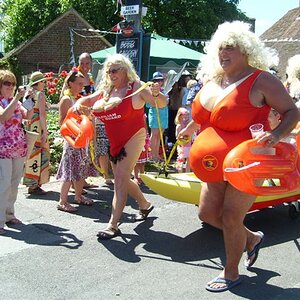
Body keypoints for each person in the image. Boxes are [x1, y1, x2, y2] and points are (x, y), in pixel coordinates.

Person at [179, 21, 299, 292]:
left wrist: (277, 135)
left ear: (246, 50)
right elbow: (202, 117)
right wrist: (188, 128)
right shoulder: (213, 80)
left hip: (248, 161)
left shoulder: (261, 80)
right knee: (208, 214)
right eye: (220, 47)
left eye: (231, 47)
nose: (224, 52)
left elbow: (292, 111)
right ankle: (252, 238)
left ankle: (230, 272)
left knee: (232, 216)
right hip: (213, 165)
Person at [75, 53, 168, 239]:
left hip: (134, 136)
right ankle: (144, 204)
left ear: (126, 70)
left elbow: (161, 102)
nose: (111, 74)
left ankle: (113, 225)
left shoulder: (137, 87)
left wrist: (157, 94)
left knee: (119, 178)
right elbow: (87, 100)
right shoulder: (106, 91)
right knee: (123, 178)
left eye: (115, 70)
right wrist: (78, 104)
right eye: (108, 71)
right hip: (115, 141)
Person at [0, 70, 33, 234]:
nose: (11, 86)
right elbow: (4, 117)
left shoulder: (16, 102)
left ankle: (9, 215)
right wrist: (17, 98)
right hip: (2, 149)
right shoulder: (2, 102)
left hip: (18, 148)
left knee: (13, 184)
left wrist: (30, 99)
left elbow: (28, 116)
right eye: (7, 83)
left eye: (12, 83)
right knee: (3, 184)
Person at [56, 70, 93, 213]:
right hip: (72, 140)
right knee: (69, 170)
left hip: (81, 139)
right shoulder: (66, 100)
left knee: (81, 169)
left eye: (82, 84)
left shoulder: (78, 98)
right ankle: (62, 201)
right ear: (70, 84)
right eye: (78, 84)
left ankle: (78, 196)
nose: (81, 87)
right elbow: (62, 121)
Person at [23, 71, 50, 195]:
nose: (44, 84)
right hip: (38, 127)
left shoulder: (28, 94)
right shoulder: (40, 95)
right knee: (41, 154)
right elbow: (42, 115)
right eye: (43, 82)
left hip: (30, 127)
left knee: (31, 154)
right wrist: (45, 131)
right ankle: (35, 185)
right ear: (38, 83)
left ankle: (31, 183)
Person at [147, 71, 168, 161]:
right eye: (157, 80)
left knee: (159, 135)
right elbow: (148, 104)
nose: (159, 82)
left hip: (164, 114)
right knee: (154, 134)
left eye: (160, 80)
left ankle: (157, 155)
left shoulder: (164, 90)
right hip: (155, 113)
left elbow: (166, 102)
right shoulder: (150, 91)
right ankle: (152, 155)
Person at [133, 115, 151, 185]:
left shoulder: (143, 116)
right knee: (136, 161)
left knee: (142, 161)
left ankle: (142, 175)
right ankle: (136, 176)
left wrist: (146, 136)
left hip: (143, 139)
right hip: (136, 139)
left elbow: (145, 125)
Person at [95, 118, 113, 185]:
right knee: (103, 152)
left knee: (114, 151)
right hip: (100, 124)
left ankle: (117, 175)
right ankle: (106, 175)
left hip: (114, 122)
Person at [174, 107, 192, 173]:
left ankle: (187, 172)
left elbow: (191, 133)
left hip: (189, 144)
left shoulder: (189, 125)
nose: (187, 116)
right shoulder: (179, 125)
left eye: (188, 114)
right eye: (185, 114)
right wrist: (182, 138)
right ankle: (180, 172)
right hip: (182, 145)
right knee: (181, 159)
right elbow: (177, 136)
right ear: (180, 116)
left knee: (189, 159)